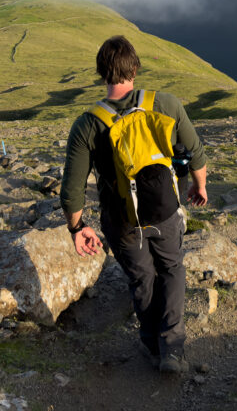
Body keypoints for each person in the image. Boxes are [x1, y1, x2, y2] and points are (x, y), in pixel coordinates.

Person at [60, 35, 208, 374]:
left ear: (100, 73)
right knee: (171, 269)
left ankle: (151, 344)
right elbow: (196, 153)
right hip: (166, 210)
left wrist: (77, 227)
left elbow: (72, 190)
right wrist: (198, 186)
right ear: (135, 69)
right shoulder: (166, 103)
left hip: (123, 220)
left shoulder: (88, 124)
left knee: (142, 279)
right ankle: (172, 348)